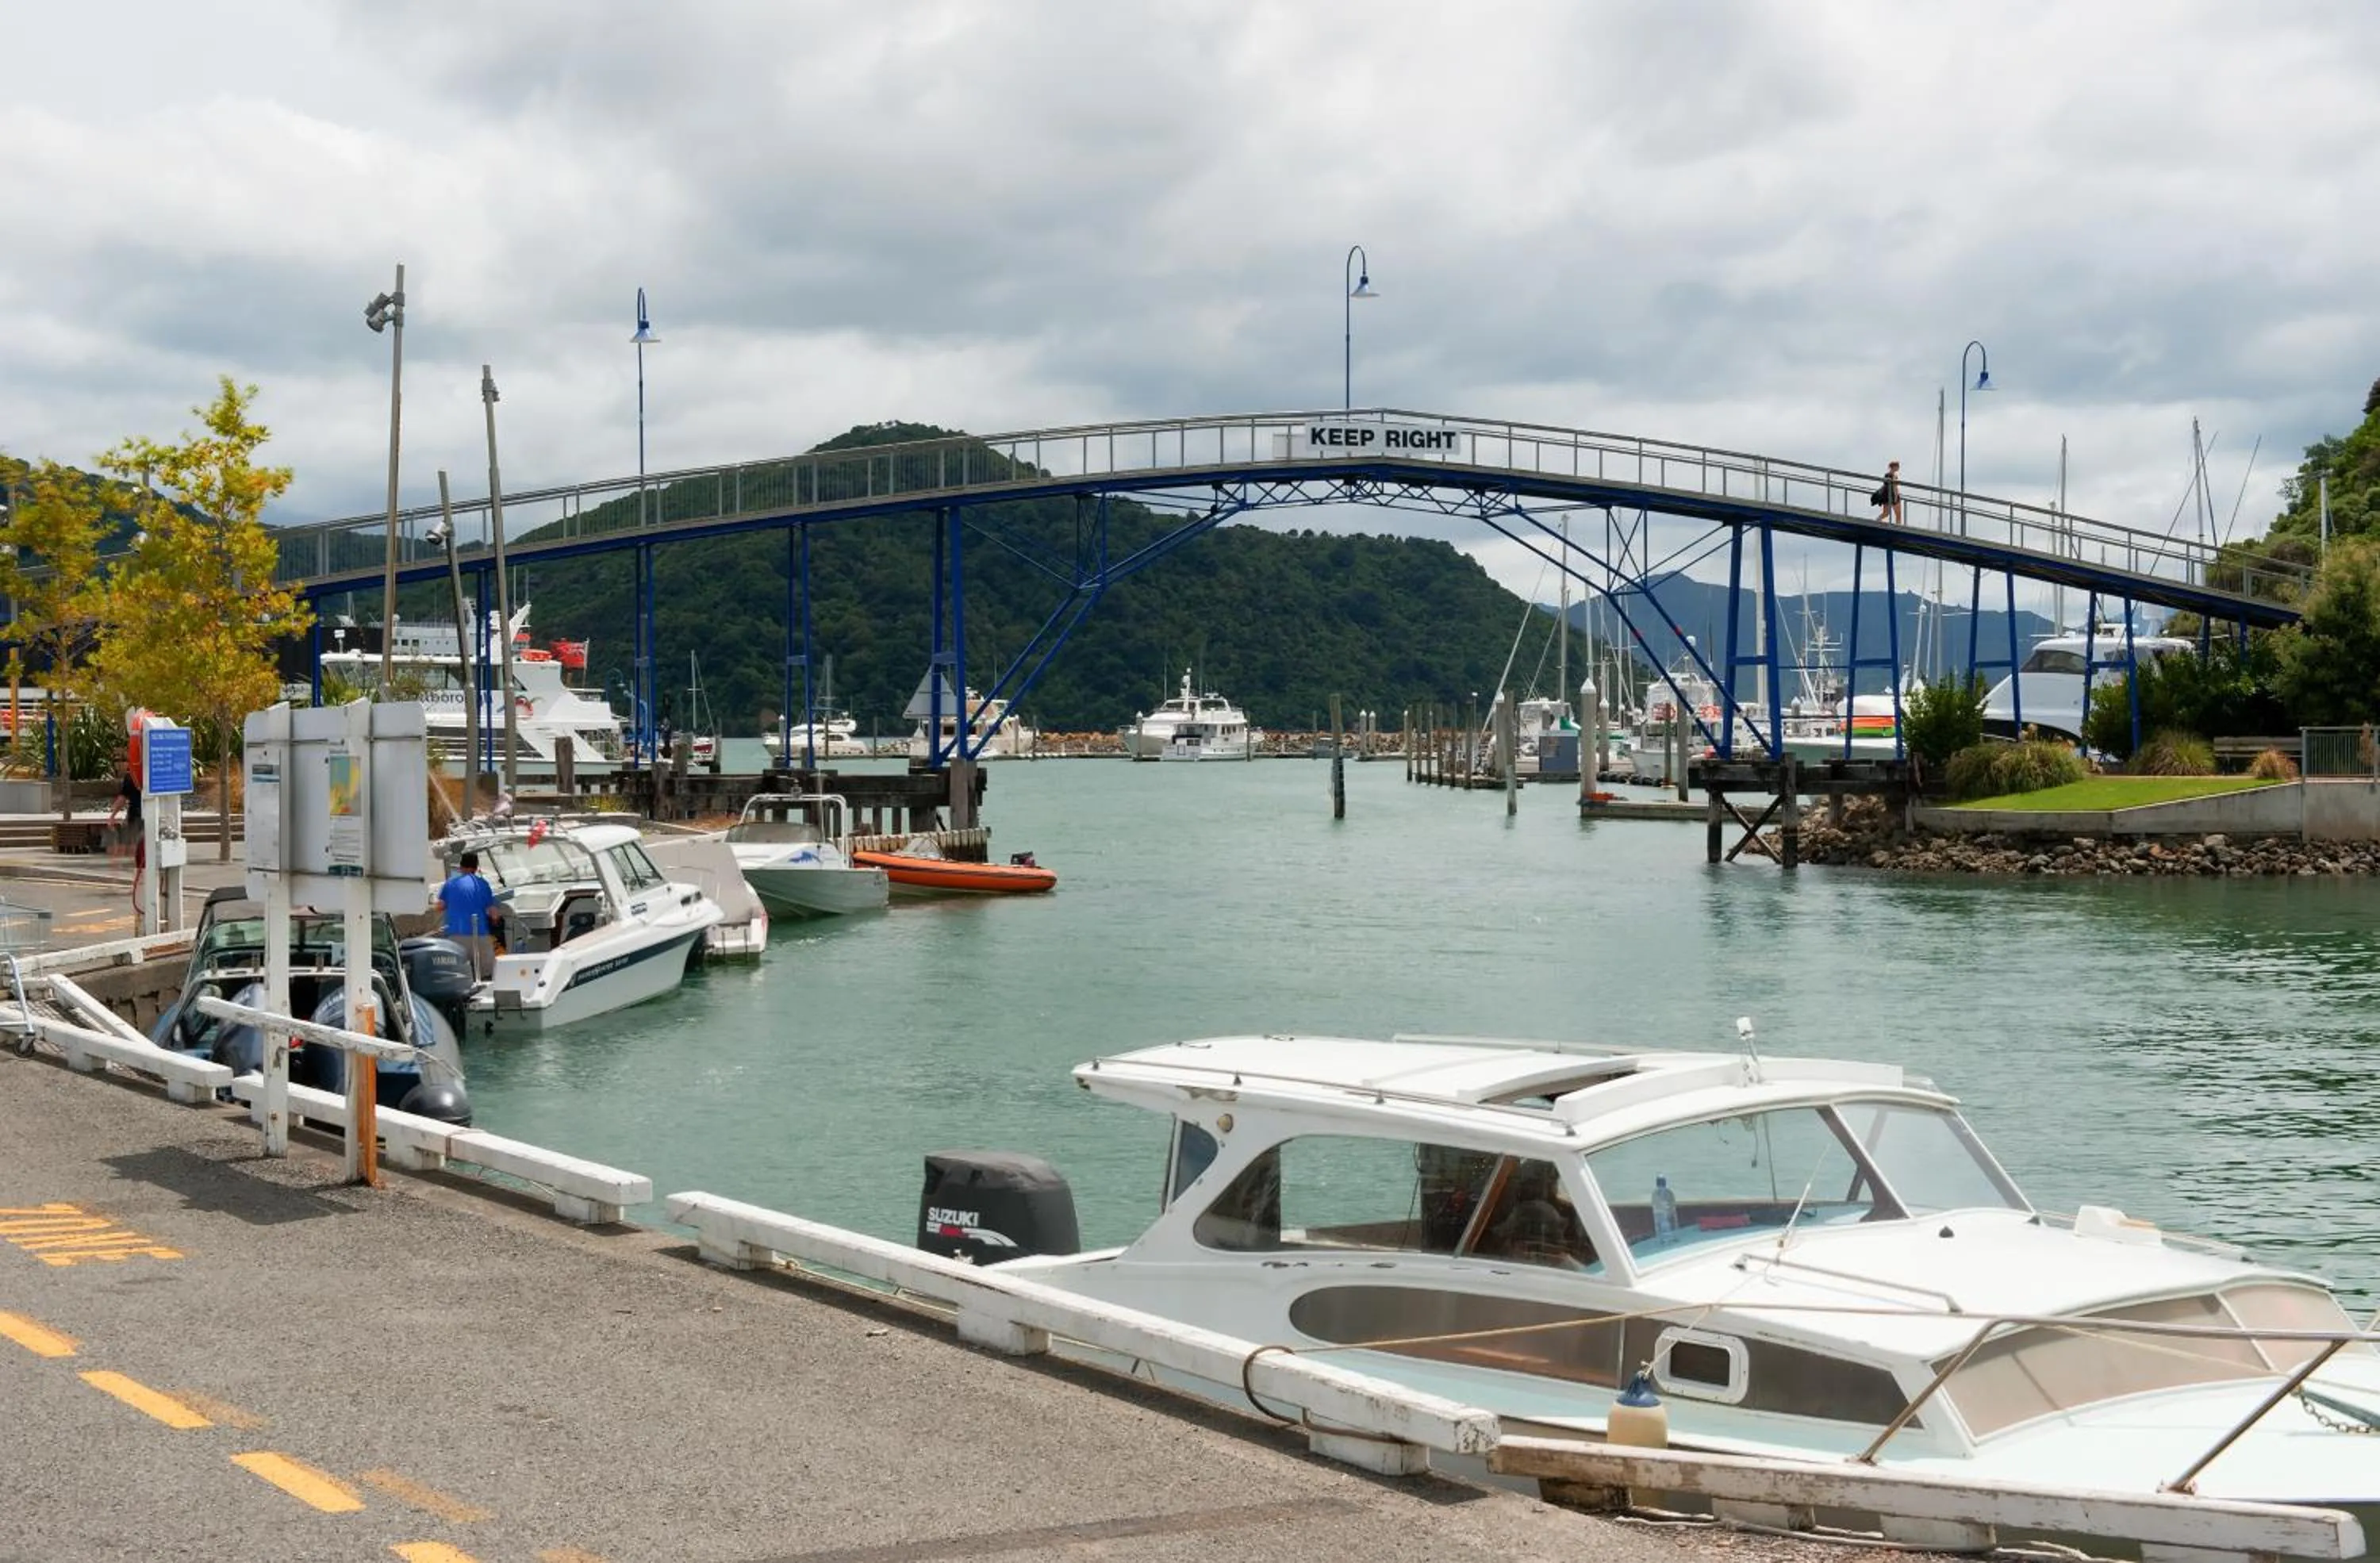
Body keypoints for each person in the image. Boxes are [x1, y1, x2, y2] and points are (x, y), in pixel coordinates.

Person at [436, 850, 498, 979]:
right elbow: (494, 913)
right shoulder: (483, 884)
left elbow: (440, 907)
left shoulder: (450, 883)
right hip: (479, 936)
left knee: (458, 977)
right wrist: (495, 922)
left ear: (460, 867)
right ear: (476, 868)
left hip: (456, 937)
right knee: (488, 976)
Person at [107, 762, 144, 920]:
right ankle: (137, 882)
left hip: (137, 817)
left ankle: (134, 882)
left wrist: (112, 816)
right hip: (141, 816)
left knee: (135, 851)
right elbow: (123, 798)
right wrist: (113, 815)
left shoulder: (132, 776)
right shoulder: (144, 774)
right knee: (137, 851)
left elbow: (122, 798)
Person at [1872, 459, 1905, 525]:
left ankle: (1877, 520)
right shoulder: (1894, 476)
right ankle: (1898, 527)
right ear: (1894, 467)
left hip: (1886, 497)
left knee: (1886, 513)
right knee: (1898, 515)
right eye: (1898, 466)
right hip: (1893, 496)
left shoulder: (1886, 475)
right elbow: (1894, 487)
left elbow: (1885, 486)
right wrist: (1896, 497)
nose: (1899, 468)